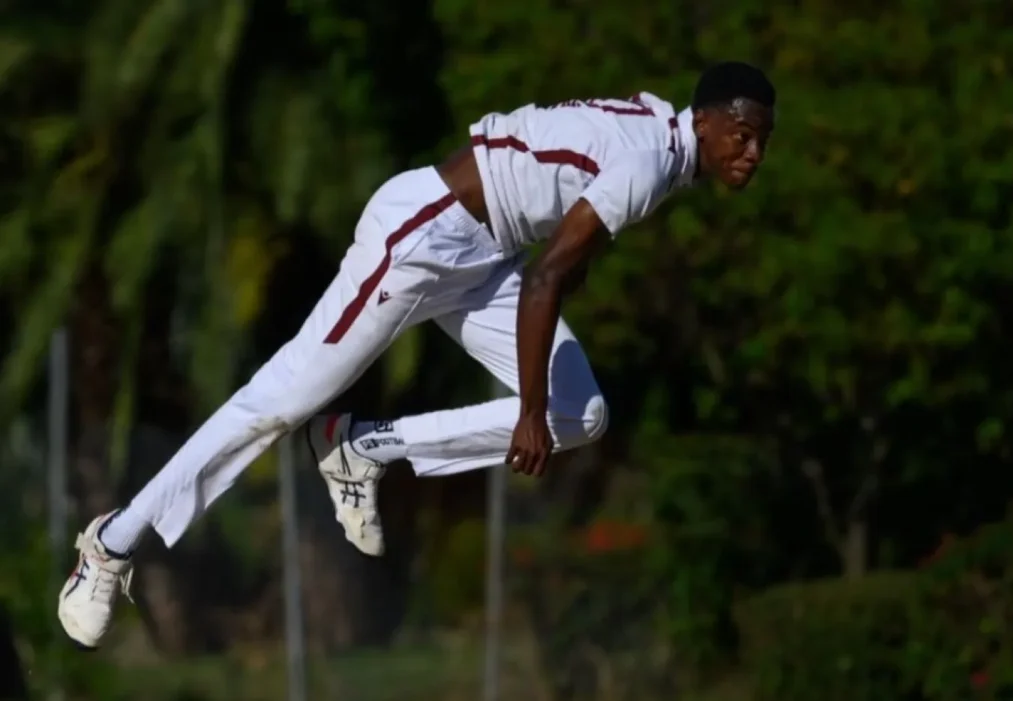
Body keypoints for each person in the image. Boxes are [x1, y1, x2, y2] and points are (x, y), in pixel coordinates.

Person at [57, 60, 775, 648]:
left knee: (581, 413)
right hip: (425, 238)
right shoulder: (652, 160)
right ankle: (111, 543)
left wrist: (548, 383)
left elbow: (566, 234)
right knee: (279, 401)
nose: (752, 153)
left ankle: (361, 446)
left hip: (488, 257)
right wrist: (526, 412)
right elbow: (549, 276)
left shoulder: (663, 137)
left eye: (762, 141)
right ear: (705, 121)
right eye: (741, 136)